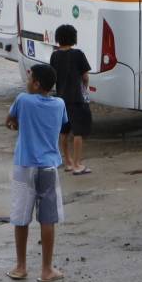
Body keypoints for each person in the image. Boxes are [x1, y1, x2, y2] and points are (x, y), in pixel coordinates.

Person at [5, 63, 68, 282]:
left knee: (21, 217)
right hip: (48, 166)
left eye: (29, 77)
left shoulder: (23, 100)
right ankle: (46, 269)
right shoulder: (59, 104)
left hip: (24, 166)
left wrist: (17, 124)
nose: (27, 80)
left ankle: (21, 266)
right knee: (48, 219)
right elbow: (62, 126)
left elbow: (9, 121)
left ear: (36, 83)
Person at [50, 24, 93, 175]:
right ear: (74, 38)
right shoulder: (78, 54)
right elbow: (85, 76)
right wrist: (85, 88)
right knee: (78, 132)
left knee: (64, 132)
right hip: (76, 99)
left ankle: (67, 162)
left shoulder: (54, 55)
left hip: (61, 99)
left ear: (58, 38)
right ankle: (77, 164)